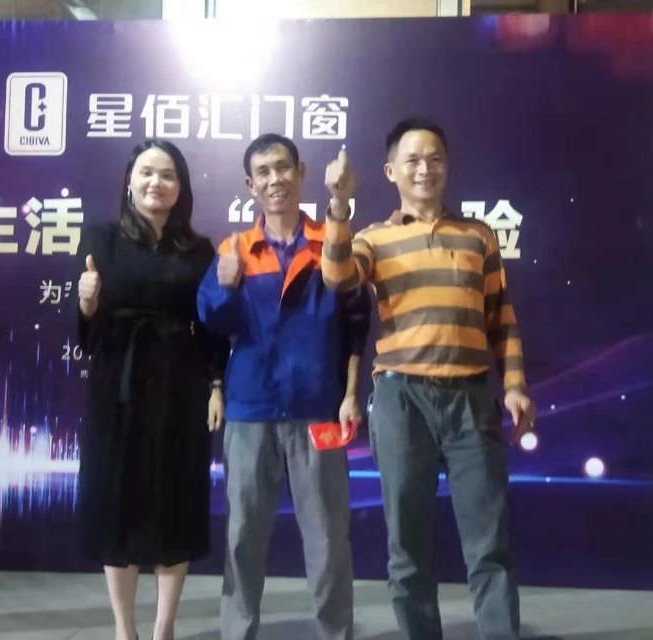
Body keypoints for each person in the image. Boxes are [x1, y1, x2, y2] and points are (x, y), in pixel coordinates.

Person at [320, 118, 536, 640]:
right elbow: (337, 277)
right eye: (413, 160)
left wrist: (514, 385)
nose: (425, 169)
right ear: (390, 171)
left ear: (447, 166)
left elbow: (501, 317)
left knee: (489, 545)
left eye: (435, 158)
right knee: (408, 549)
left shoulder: (478, 236)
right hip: (401, 399)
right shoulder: (374, 238)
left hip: (472, 398)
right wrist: (339, 206)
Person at [196, 133, 369, 640]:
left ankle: (336, 633)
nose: (275, 180)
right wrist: (226, 286)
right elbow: (212, 321)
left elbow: (357, 322)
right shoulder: (234, 250)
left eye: (283, 168)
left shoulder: (332, 244)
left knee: (328, 539)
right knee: (243, 537)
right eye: (263, 172)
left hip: (318, 411)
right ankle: (237, 633)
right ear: (250, 185)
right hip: (250, 411)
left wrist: (350, 393)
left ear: (301, 173)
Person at [75, 139, 226, 640]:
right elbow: (86, 330)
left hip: (181, 385)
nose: (155, 183)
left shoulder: (198, 250)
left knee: (174, 502)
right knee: (118, 503)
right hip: (118, 384)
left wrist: (216, 385)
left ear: (180, 187)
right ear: (129, 181)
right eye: (146, 173)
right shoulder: (101, 238)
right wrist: (87, 304)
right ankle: (125, 629)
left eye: (167, 175)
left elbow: (211, 327)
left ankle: (164, 628)